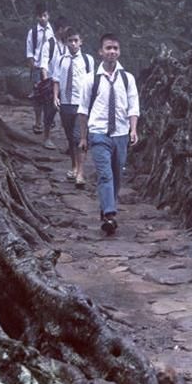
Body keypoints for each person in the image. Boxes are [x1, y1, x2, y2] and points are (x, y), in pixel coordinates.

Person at [82, 33, 139, 235]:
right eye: (108, 48)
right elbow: (83, 110)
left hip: (121, 134)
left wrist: (133, 129)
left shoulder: (127, 78)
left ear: (119, 51)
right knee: (105, 175)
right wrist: (83, 137)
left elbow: (133, 107)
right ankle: (109, 215)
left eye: (115, 48)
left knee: (116, 175)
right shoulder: (91, 79)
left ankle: (106, 208)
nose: (112, 51)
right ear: (100, 52)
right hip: (98, 133)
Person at [55, 28, 92, 186]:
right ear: (66, 42)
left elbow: (92, 81)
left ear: (81, 41)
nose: (73, 43)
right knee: (70, 137)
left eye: (76, 40)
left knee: (79, 137)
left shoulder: (87, 60)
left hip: (81, 104)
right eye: (70, 40)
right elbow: (56, 79)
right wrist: (55, 96)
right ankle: (74, 167)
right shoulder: (61, 59)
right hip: (65, 102)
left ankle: (81, 173)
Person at [24, 4, 58, 140]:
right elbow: (29, 51)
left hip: (51, 67)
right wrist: (33, 68)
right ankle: (38, 121)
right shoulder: (33, 32)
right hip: (38, 67)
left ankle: (49, 119)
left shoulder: (53, 31)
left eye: (45, 15)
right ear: (36, 17)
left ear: (48, 15)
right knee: (38, 96)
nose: (43, 18)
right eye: (40, 16)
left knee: (49, 96)